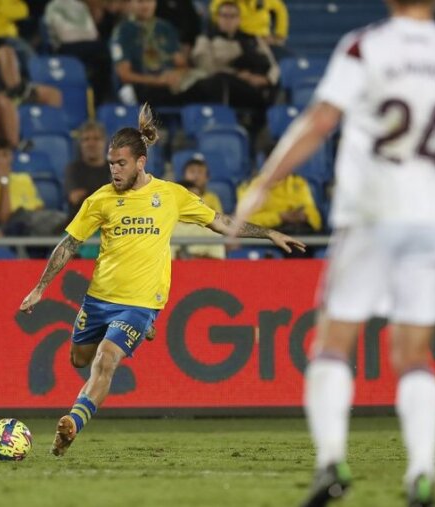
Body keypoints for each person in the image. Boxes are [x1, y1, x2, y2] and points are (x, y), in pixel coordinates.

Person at [230, 1, 435, 505]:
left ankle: (330, 463)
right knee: (415, 357)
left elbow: (322, 118)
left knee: (331, 343)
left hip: (370, 215)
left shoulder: (366, 46)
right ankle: (421, 473)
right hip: (434, 222)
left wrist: (264, 183)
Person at [19, 104, 304, 457]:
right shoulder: (100, 200)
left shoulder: (171, 195)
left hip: (139, 303)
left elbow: (219, 221)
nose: (114, 171)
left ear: (140, 162)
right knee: (79, 359)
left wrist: (269, 233)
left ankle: (73, 423)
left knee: (105, 361)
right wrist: (40, 288)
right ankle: (133, 335)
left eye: (120, 164)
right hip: (99, 298)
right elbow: (69, 244)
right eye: (111, 164)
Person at [236, 171, 321, 235]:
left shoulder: (299, 183)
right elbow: (245, 222)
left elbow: (315, 218)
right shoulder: (253, 186)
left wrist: (305, 216)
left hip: (300, 232)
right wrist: (279, 217)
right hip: (269, 235)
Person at [66, 120, 111, 218]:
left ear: (105, 143)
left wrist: (87, 194)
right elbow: (75, 198)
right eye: (86, 139)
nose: (91, 143)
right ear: (80, 144)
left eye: (96, 139)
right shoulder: (73, 169)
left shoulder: (115, 168)